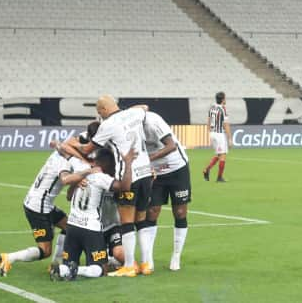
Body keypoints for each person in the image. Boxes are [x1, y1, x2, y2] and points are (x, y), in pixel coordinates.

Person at [62, 97, 153, 277]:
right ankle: (147, 263)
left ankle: (129, 266)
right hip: (146, 172)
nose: (99, 114)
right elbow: (145, 107)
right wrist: (128, 111)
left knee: (127, 223)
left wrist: (74, 144)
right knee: (142, 222)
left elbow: (87, 149)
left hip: (129, 175)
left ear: (104, 109)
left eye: (99, 110)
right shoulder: (134, 113)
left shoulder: (107, 126)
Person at [0, 141, 91, 277]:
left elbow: (56, 143)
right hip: (38, 207)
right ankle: (9, 258)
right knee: (45, 250)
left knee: (69, 227)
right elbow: (65, 179)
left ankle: (56, 264)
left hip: (40, 202)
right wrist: (81, 176)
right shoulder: (64, 162)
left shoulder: (59, 153)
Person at [54, 147, 136, 281]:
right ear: (108, 165)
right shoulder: (101, 178)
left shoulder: (81, 173)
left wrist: (76, 182)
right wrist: (127, 164)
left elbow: (69, 196)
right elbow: (124, 187)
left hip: (72, 227)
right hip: (90, 229)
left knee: (68, 262)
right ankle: (75, 269)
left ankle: (64, 269)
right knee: (100, 269)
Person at [142, 109, 192, 272]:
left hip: (177, 168)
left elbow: (172, 145)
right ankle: (148, 259)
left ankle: (176, 255)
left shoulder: (152, 123)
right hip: (156, 173)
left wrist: (149, 159)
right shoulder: (129, 127)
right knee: (152, 212)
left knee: (179, 213)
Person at [203, 92, 231, 182]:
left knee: (219, 155)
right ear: (223, 99)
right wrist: (230, 138)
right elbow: (226, 125)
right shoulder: (223, 109)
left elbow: (208, 120)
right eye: (225, 98)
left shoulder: (212, 107)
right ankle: (219, 177)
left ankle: (206, 170)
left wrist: (209, 133)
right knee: (223, 155)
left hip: (212, 133)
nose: (225, 100)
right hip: (219, 135)